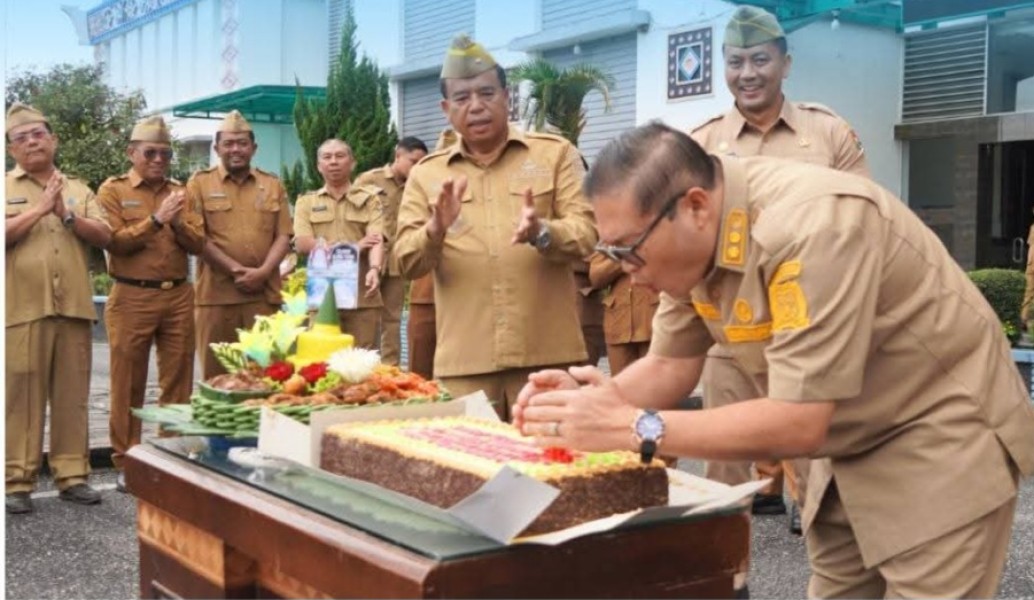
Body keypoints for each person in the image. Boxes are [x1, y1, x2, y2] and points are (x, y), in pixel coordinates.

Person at [515, 122, 1034, 598]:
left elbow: (798, 419)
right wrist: (581, 408)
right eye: (612, 253)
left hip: (935, 431)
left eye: (629, 250)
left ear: (695, 207)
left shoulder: (814, 226)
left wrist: (633, 426)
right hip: (847, 442)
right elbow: (670, 364)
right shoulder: (686, 248)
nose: (626, 270)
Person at [692, 5, 870, 527]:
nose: (747, 73)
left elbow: (861, 218)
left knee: (817, 457)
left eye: (760, 60)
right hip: (729, 324)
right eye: (735, 62)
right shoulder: (701, 144)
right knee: (720, 467)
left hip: (810, 323)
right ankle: (717, 555)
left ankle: (821, 533)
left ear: (785, 64)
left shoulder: (828, 132)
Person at [394, 35, 597, 419]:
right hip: (465, 363)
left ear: (507, 97)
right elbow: (405, 261)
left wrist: (542, 232)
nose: (476, 106)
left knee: (552, 455)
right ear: (446, 108)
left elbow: (587, 234)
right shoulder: (426, 174)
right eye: (462, 97)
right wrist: (434, 230)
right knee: (469, 458)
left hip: (547, 357)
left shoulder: (554, 154)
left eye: (487, 93)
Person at [5, 103, 112, 513]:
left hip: (73, 308)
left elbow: (105, 235)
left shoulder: (80, 190)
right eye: (21, 137)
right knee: (20, 398)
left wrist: (67, 214)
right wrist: (38, 209)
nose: (32, 142)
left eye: (38, 134)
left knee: (73, 397)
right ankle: (16, 481)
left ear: (54, 140)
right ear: (11, 149)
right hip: (21, 308)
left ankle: (72, 475)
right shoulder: (4, 187)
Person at [97, 116, 205, 492]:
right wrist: (157, 220)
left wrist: (177, 222)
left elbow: (199, 243)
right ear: (132, 153)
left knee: (178, 381)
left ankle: (170, 455)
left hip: (177, 294)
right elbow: (115, 241)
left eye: (165, 154)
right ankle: (127, 459)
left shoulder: (181, 192)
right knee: (128, 382)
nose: (159, 160)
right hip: (132, 295)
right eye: (150, 153)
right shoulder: (113, 190)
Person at [189, 110, 292, 379]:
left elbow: (284, 235)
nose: (236, 149)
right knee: (217, 378)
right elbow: (196, 237)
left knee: (267, 377)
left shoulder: (272, 184)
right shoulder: (199, 184)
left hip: (263, 296)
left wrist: (263, 272)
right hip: (216, 298)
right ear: (217, 148)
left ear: (254, 148)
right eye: (228, 144)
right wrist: (236, 271)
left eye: (242, 143)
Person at [293, 139, 385, 348]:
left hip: (362, 295)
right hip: (322, 296)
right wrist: (354, 247)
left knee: (362, 360)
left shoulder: (370, 200)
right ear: (318, 166)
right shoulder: (306, 202)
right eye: (327, 157)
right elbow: (303, 244)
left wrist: (374, 268)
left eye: (340, 156)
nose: (333, 161)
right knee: (321, 358)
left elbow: (376, 239)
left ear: (352, 163)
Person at [353, 136, 429, 365]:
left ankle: (390, 370)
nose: (417, 168)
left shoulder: (418, 187)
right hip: (369, 260)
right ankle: (363, 368)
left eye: (421, 163)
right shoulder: (369, 179)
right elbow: (352, 215)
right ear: (398, 156)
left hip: (396, 262)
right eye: (413, 161)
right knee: (366, 317)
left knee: (392, 319)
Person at [588, 253, 658, 375]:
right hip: (618, 323)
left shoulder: (655, 241)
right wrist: (623, 257)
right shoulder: (608, 244)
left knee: (656, 381)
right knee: (620, 380)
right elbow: (596, 278)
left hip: (652, 318)